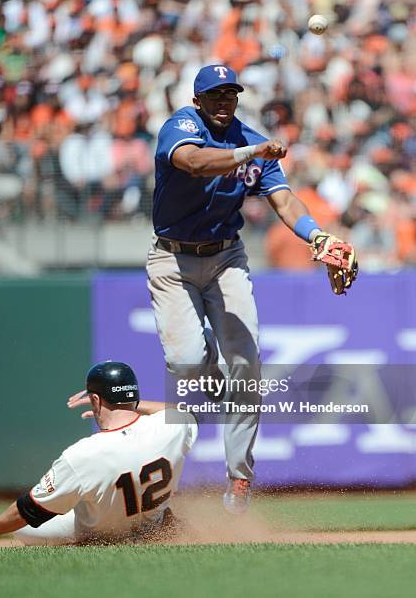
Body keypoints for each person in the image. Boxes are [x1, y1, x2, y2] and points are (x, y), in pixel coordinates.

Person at [148, 64, 356, 514]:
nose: (224, 102)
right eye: (215, 95)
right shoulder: (182, 125)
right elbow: (194, 162)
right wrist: (252, 151)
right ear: (198, 99)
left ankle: (239, 480)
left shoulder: (250, 138)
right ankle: (218, 387)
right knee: (186, 365)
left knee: (246, 365)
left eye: (230, 95)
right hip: (173, 259)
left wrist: (317, 236)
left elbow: (283, 198)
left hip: (225, 258)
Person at [0, 361, 198, 545]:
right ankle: (162, 525)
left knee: (25, 531)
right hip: (152, 525)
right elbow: (183, 411)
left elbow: (30, 509)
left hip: (103, 536)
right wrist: (130, 405)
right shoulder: (171, 428)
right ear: (134, 397)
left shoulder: (83, 454)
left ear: (96, 401)